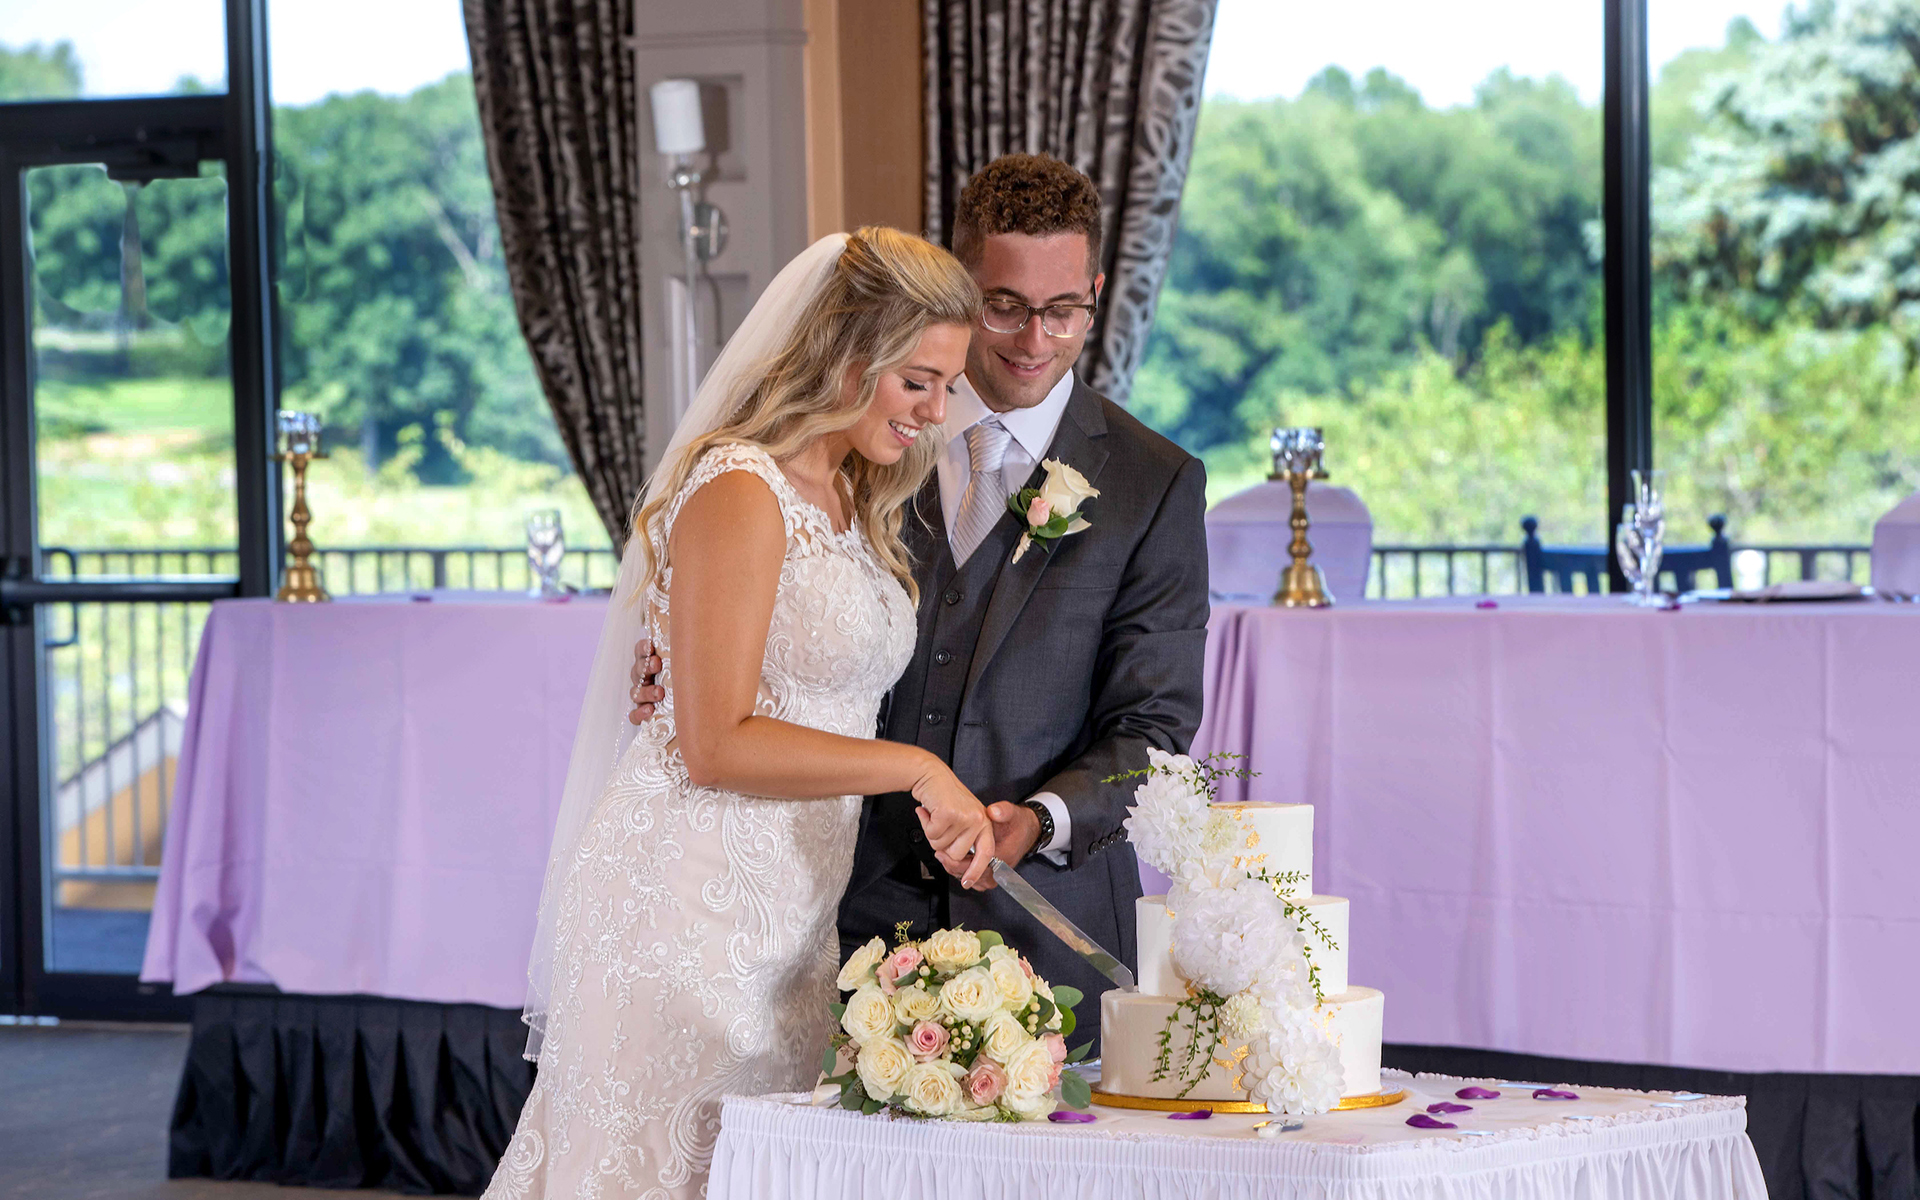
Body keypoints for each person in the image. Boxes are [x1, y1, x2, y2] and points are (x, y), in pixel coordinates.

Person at [630, 154, 1210, 1052]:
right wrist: (680, 658)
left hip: (1041, 937)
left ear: (1097, 295)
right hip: (830, 916)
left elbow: (1155, 726)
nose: (1034, 339)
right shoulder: (865, 438)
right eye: (1004, 306)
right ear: (960, 285)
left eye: (1064, 310)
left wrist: (1041, 820)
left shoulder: (1154, 482)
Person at [484, 227, 984, 1200]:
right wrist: (918, 768)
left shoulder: (853, 494)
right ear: (848, 353)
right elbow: (713, 743)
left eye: (947, 385)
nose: (935, 411)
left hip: (790, 917)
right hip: (689, 906)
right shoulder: (741, 488)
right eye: (917, 381)